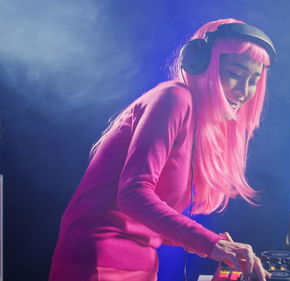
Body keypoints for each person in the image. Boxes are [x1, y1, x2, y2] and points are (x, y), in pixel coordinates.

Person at [49, 18, 276, 281]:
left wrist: (221, 248)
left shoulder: (202, 125)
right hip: (98, 261)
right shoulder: (173, 99)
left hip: (142, 264)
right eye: (234, 74)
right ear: (200, 63)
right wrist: (211, 244)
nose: (244, 90)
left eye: (253, 80)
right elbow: (133, 195)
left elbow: (151, 221)